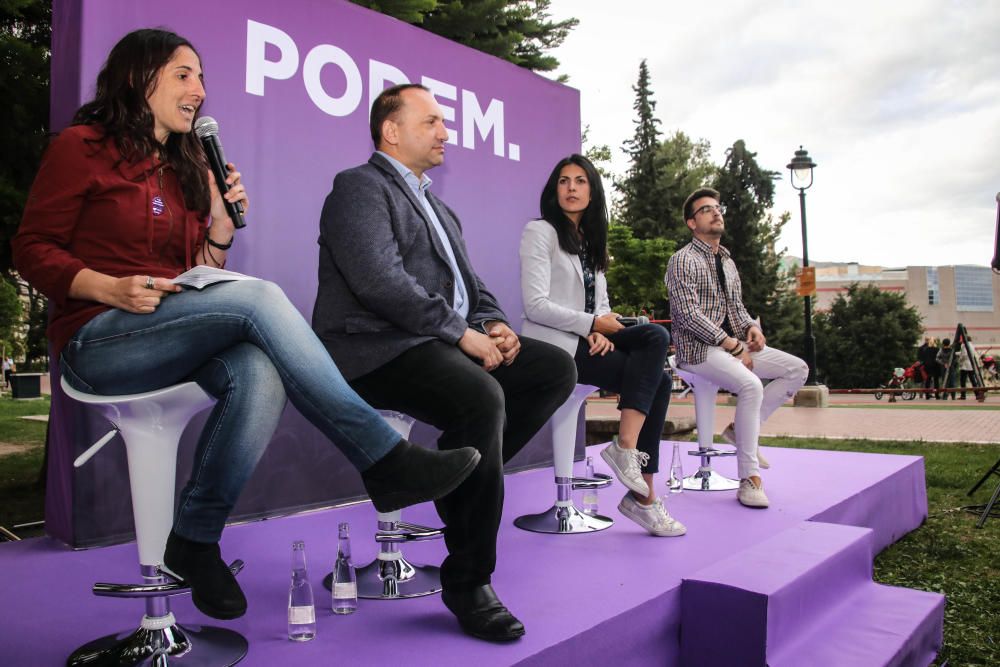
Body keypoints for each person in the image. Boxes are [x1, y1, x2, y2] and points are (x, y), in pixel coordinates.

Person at [12, 30, 479, 622]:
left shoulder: (183, 171)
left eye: (202, 78)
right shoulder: (82, 147)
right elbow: (31, 248)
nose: (199, 91)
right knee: (258, 299)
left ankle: (196, 537)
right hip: (98, 338)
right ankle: (383, 457)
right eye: (184, 75)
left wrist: (219, 228)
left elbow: (198, 278)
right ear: (138, 76)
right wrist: (105, 287)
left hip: (168, 330)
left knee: (259, 371)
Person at [312, 83, 577, 642]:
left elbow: (470, 286)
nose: (445, 133)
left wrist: (494, 325)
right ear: (391, 130)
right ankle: (469, 581)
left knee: (553, 369)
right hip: (375, 348)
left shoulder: (439, 206)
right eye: (431, 121)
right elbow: (380, 283)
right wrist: (462, 335)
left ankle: (456, 475)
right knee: (483, 396)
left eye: (444, 123)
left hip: (434, 342)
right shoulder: (358, 187)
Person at [519, 154, 685, 537]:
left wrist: (599, 326)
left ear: (592, 192)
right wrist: (590, 324)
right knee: (658, 381)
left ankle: (626, 450)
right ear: (554, 189)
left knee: (655, 335)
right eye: (564, 181)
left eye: (580, 181)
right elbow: (535, 305)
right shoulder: (539, 232)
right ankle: (643, 497)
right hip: (553, 346)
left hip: (586, 337)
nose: (572, 188)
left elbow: (601, 305)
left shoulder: (592, 242)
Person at [665, 188, 808, 508]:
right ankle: (749, 479)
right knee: (750, 385)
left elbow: (737, 309)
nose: (716, 212)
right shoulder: (682, 260)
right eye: (706, 210)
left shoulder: (727, 261)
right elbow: (687, 316)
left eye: (718, 207)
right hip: (698, 351)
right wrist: (732, 345)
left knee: (797, 369)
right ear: (691, 222)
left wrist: (752, 328)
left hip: (733, 346)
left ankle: (742, 430)